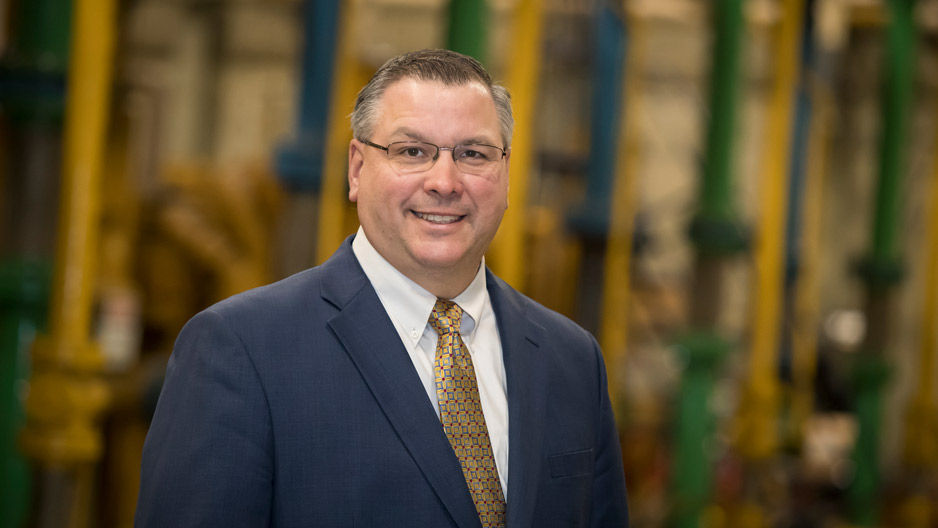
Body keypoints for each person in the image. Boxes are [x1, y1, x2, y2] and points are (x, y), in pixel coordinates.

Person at [135, 48, 629, 527]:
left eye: (473, 154)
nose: (444, 181)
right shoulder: (241, 349)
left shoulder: (573, 360)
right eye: (411, 151)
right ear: (356, 169)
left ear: (504, 174)